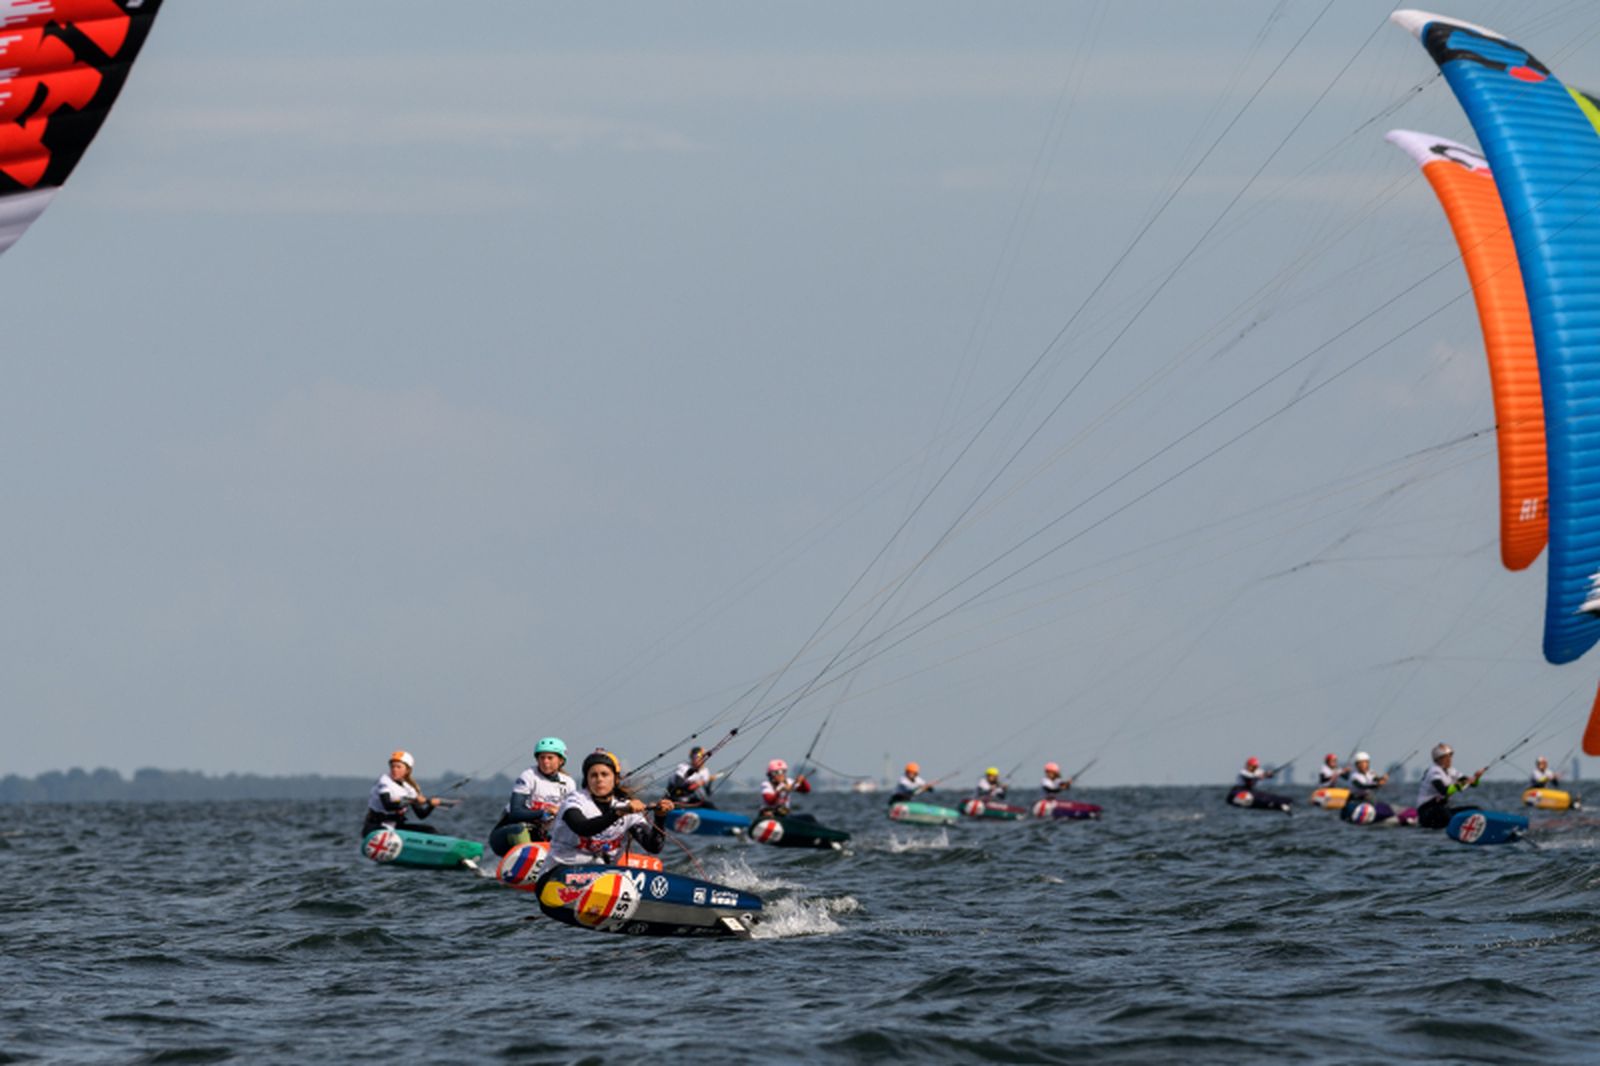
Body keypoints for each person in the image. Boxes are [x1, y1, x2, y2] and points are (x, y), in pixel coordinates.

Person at [543, 750, 674, 869]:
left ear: (615, 779)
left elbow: (653, 847)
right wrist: (618, 813)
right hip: (560, 871)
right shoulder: (574, 802)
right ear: (587, 780)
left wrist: (660, 817)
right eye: (593, 775)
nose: (599, 779)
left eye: (605, 774)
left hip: (604, 878)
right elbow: (582, 828)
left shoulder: (628, 808)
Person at [488, 737, 576, 855]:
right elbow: (515, 813)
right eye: (542, 757)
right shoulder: (528, 776)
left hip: (539, 836)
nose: (545, 761)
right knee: (521, 831)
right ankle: (528, 861)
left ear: (561, 761)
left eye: (550, 758)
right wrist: (544, 812)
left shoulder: (569, 783)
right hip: (508, 834)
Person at [363, 750, 445, 836]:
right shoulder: (384, 781)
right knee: (389, 835)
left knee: (430, 831)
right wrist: (413, 800)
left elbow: (421, 815)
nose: (394, 770)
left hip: (396, 827)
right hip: (375, 827)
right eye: (392, 767)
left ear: (407, 770)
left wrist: (431, 805)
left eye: (399, 767)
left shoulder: (410, 789)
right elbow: (388, 806)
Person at [1416, 742, 1486, 830]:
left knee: (1476, 810)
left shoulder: (1451, 771)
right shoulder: (1434, 771)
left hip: (1442, 810)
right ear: (1438, 759)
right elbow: (1443, 790)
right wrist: (1459, 785)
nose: (1449, 759)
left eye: (1450, 756)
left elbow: (1471, 784)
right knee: (1445, 814)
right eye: (1446, 757)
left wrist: (1476, 778)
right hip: (1427, 812)